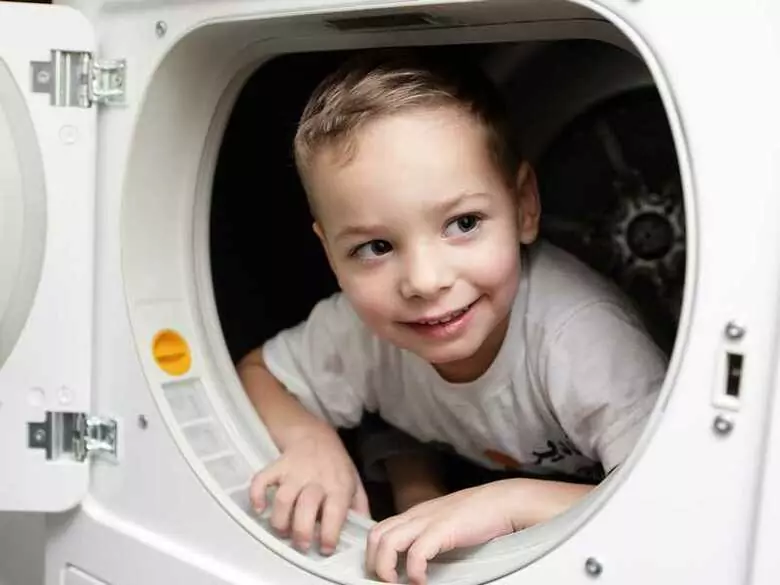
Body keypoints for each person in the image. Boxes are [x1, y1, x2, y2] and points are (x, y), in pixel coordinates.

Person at [237, 49, 667, 584]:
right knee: (393, 425)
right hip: (459, 446)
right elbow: (258, 372)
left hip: (579, 479)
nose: (424, 281)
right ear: (329, 254)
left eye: (463, 223)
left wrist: (507, 506)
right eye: (375, 246)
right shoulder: (359, 326)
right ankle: (414, 478)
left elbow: (669, 502)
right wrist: (309, 441)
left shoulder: (580, 337)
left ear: (525, 207)